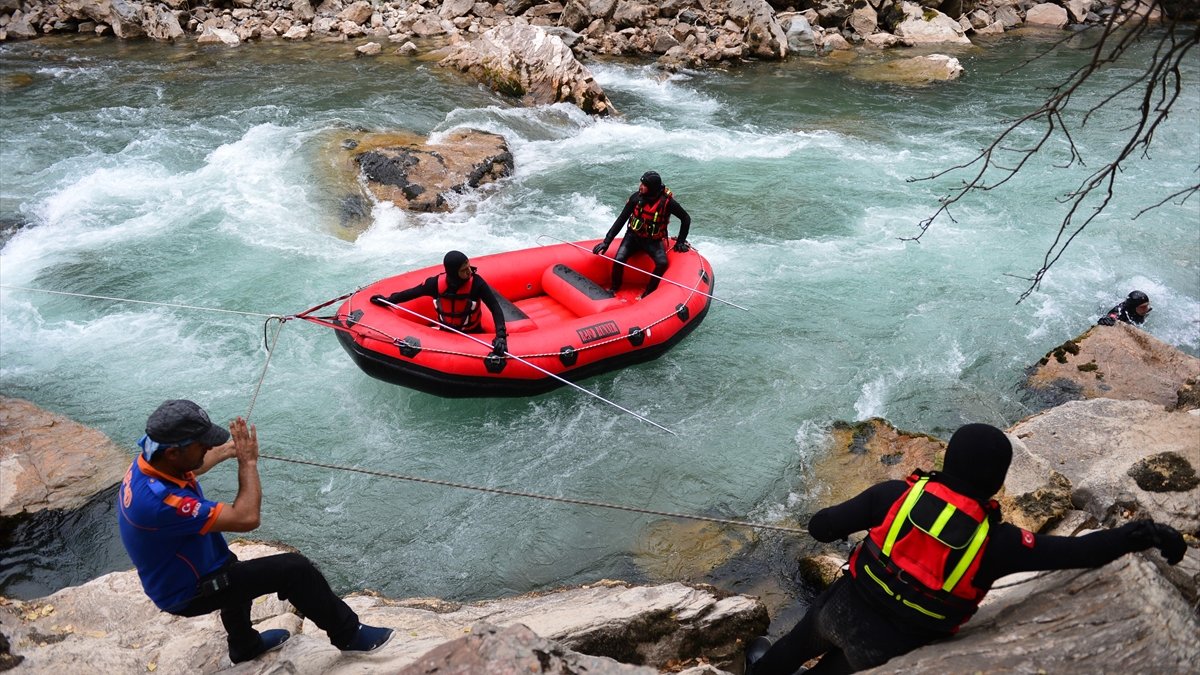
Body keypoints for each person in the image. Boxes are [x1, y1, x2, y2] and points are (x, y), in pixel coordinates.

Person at [745, 423, 1188, 675]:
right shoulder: (999, 543)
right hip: (889, 647)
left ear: (947, 462)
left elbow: (821, 528)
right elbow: (1082, 553)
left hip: (838, 610)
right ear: (997, 482)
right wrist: (1146, 533)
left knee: (794, 645)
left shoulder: (894, 496)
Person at [118, 399, 395, 664]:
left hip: (185, 569)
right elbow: (247, 517)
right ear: (173, 452)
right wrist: (247, 462)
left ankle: (244, 647)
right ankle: (349, 635)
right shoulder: (161, 503)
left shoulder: (151, 457)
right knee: (293, 569)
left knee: (232, 570)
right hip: (188, 591)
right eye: (201, 444)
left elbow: (193, 465)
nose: (208, 447)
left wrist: (230, 449)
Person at [372, 250, 508, 356]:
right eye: (464, 270)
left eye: (468, 267)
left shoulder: (477, 283)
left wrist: (501, 336)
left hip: (473, 333)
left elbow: (495, 308)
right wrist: (388, 300)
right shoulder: (435, 284)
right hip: (444, 334)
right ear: (453, 273)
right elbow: (412, 293)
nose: (469, 272)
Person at [592, 170, 692, 298]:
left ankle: (647, 294)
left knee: (662, 263)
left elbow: (686, 218)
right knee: (619, 259)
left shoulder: (667, 203)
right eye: (641, 184)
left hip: (653, 241)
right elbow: (621, 220)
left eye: (644, 185)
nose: (640, 187)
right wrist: (607, 242)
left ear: (652, 188)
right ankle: (614, 288)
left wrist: (680, 241)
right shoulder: (636, 198)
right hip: (632, 237)